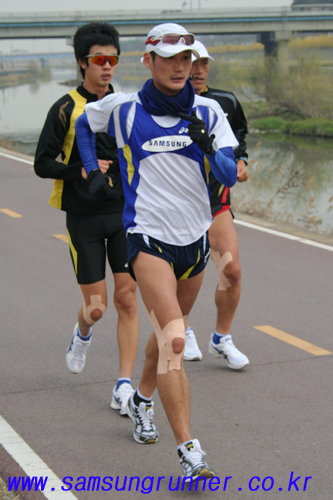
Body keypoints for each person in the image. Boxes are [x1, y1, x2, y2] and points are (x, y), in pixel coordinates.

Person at [75, 22, 238, 481]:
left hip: (194, 243)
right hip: (146, 239)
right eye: (169, 58)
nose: (180, 67)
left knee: (167, 339)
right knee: (175, 341)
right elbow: (85, 125)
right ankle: (189, 450)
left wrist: (209, 148)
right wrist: (91, 171)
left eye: (187, 59)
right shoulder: (122, 108)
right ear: (148, 61)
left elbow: (227, 177)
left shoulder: (210, 111)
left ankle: (142, 399)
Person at [34, 22, 139, 416]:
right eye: (100, 60)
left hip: (124, 215)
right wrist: (78, 169)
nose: (108, 66)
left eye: (113, 59)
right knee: (97, 308)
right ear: (83, 63)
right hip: (84, 218)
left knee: (128, 299)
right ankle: (82, 333)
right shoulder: (64, 108)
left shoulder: (126, 105)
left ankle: (123, 386)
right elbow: (42, 164)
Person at [183, 40, 250, 370]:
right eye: (190, 62)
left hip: (215, 203)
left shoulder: (225, 101)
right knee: (179, 277)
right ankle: (181, 327)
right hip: (177, 207)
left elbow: (239, 139)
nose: (197, 70)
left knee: (232, 271)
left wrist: (242, 161)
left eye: (203, 63)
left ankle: (221, 339)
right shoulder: (164, 103)